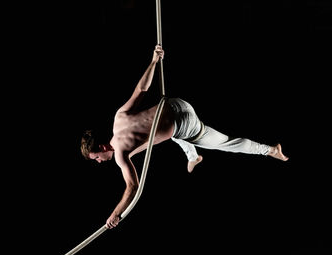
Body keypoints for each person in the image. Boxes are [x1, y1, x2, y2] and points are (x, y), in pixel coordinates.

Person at [80, 45, 289, 229]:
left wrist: (115, 214)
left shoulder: (120, 155)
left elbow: (133, 187)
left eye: (96, 157)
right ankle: (192, 157)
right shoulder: (119, 118)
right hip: (177, 104)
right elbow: (141, 89)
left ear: (103, 147)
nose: (99, 162)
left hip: (185, 125)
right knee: (166, 135)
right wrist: (154, 61)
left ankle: (270, 150)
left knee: (224, 143)